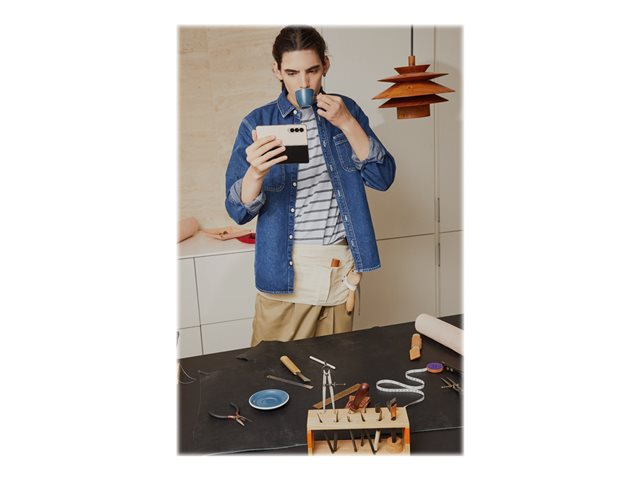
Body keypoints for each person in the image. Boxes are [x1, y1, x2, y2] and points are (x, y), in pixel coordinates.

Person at [225, 26, 396, 346]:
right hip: (284, 271)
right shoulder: (257, 122)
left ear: (326, 66)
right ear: (277, 70)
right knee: (270, 370)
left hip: (339, 272)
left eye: (312, 71)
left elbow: (382, 177)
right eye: (292, 73)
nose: (303, 83)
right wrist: (256, 173)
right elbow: (237, 211)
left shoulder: (346, 111)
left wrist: (346, 123)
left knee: (336, 368)